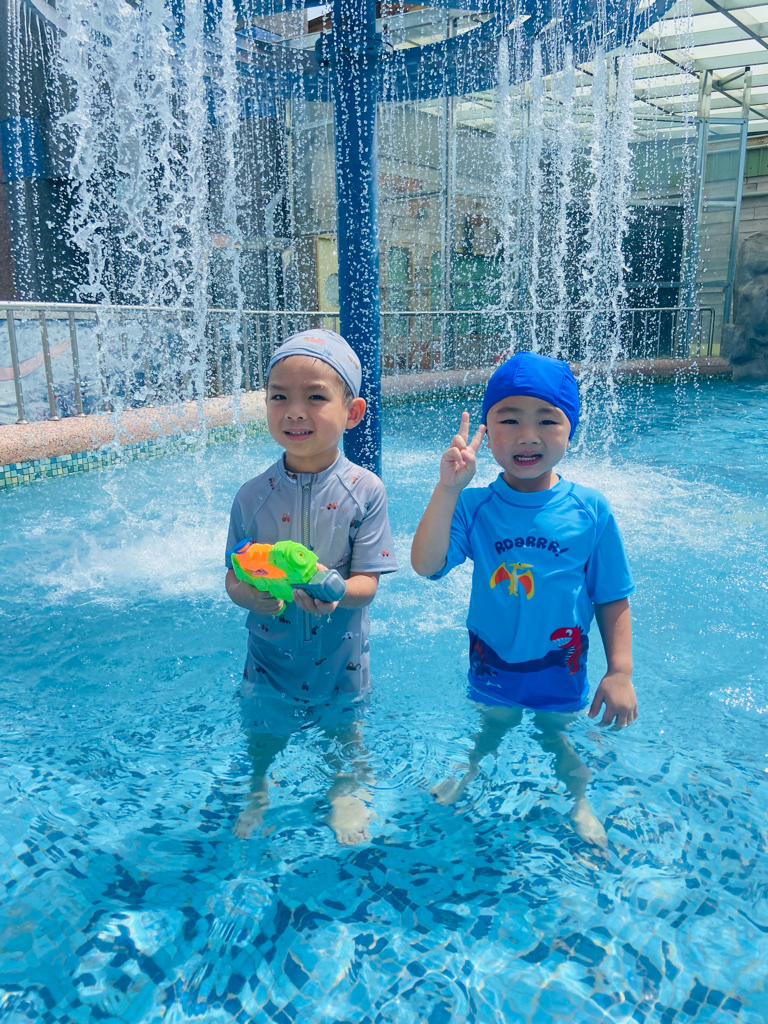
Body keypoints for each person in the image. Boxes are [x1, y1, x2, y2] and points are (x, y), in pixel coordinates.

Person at [410, 350, 637, 847]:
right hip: (492, 660)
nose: (527, 435)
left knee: (557, 735)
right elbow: (425, 565)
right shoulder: (475, 504)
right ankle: (470, 768)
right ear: (487, 431)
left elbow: (611, 596)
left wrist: (620, 671)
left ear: (570, 429)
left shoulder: (590, 510)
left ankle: (579, 801)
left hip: (560, 662)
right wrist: (447, 490)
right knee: (492, 725)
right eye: (509, 419)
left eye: (547, 420)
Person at [225, 329, 397, 843]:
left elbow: (368, 582)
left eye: (315, 397)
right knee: (262, 733)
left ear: (353, 412)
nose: (294, 411)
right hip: (268, 654)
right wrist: (248, 594)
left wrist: (335, 590)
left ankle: (345, 789)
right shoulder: (251, 496)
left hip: (340, 656)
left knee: (344, 731)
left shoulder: (366, 491)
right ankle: (259, 788)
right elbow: (233, 575)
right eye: (279, 396)